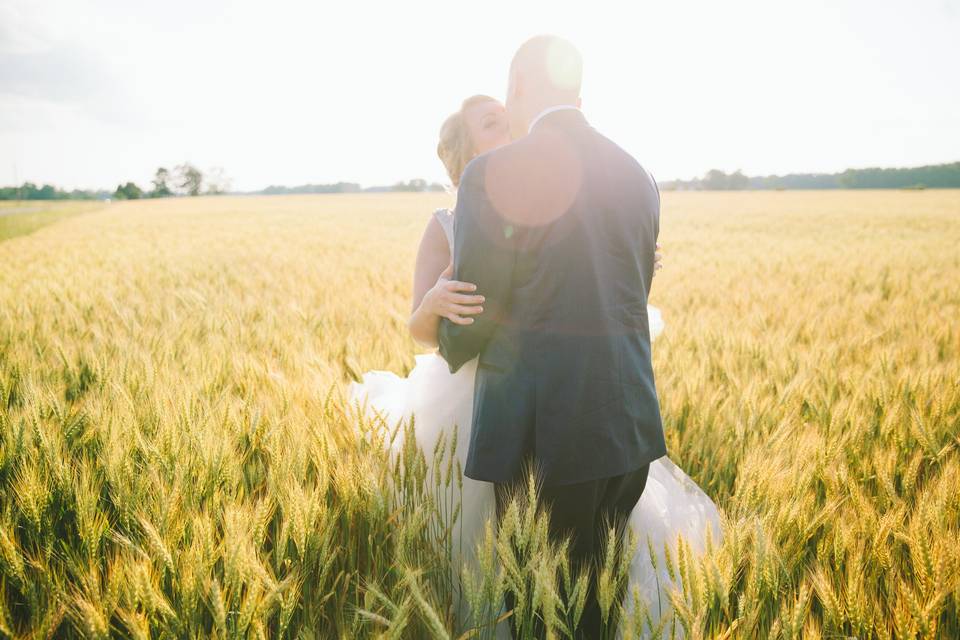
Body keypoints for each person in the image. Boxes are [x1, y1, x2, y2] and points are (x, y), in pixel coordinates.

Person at [350, 36, 720, 639]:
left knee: (540, 609)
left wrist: (448, 342)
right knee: (598, 593)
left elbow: (480, 313)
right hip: (627, 426)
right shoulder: (637, 174)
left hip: (543, 434)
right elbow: (632, 291)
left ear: (520, 86)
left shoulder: (494, 176)